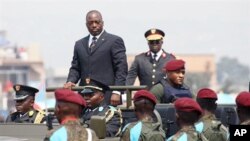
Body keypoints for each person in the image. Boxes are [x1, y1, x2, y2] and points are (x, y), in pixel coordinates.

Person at [64, 10, 128, 106]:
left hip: (106, 94)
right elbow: (75, 68)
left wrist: (117, 91)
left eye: (97, 22)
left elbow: (121, 68)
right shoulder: (79, 44)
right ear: (86, 25)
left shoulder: (114, 41)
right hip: (84, 95)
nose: (94, 25)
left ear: (102, 23)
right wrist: (70, 81)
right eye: (90, 23)